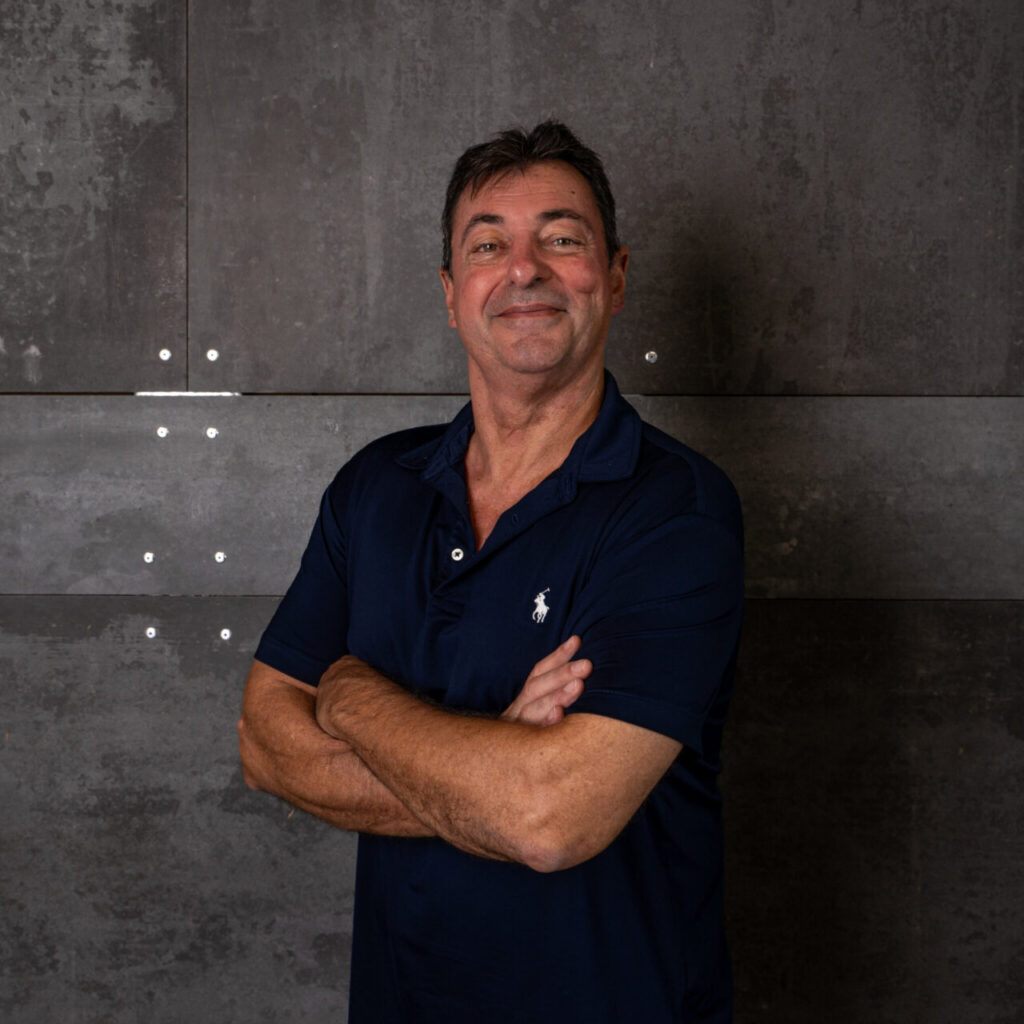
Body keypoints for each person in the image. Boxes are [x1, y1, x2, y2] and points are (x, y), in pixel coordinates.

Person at [238, 120, 744, 1023]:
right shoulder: (373, 490)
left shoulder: (676, 512)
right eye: (488, 245)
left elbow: (550, 819)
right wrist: (490, 766)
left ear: (616, 278)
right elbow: (267, 745)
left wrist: (351, 696)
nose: (524, 269)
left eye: (560, 237)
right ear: (450, 293)